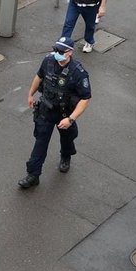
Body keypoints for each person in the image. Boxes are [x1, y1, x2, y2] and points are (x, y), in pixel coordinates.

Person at [18, 37, 92, 189]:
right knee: (40, 143)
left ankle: (66, 156)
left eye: (60, 51)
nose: (56, 53)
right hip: (46, 110)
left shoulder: (78, 72)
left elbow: (85, 99)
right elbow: (39, 76)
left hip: (65, 115)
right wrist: (30, 94)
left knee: (67, 139)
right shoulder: (48, 61)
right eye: (55, 49)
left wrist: (71, 119)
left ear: (69, 53)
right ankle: (33, 175)